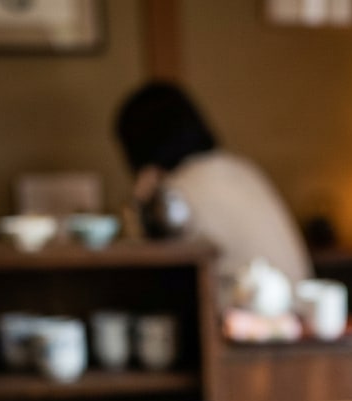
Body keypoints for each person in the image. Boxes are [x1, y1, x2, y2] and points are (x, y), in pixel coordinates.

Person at [114, 81, 312, 301]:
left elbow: (138, 265)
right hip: (303, 311)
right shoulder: (243, 168)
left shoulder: (174, 194)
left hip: (253, 324)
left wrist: (140, 201)